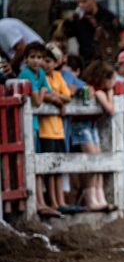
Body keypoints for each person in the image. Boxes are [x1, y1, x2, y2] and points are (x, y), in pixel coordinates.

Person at [17, 42, 65, 217]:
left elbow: (54, 95)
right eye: (33, 57)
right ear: (25, 59)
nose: (36, 61)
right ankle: (37, 202)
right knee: (32, 164)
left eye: (39, 57)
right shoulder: (26, 74)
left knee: (37, 164)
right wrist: (46, 92)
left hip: (35, 125)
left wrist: (58, 99)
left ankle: (42, 202)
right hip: (27, 126)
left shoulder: (39, 73)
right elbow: (38, 100)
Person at [71, 60, 117, 211]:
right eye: (111, 79)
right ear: (103, 78)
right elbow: (110, 110)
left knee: (98, 162)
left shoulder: (97, 90)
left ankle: (99, 196)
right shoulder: (98, 91)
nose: (114, 83)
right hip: (81, 127)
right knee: (93, 161)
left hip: (90, 127)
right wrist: (110, 94)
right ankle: (91, 198)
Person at [40, 42, 77, 214]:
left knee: (58, 167)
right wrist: (58, 99)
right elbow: (49, 95)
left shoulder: (57, 76)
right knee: (49, 168)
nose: (48, 64)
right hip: (45, 129)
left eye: (51, 61)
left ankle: (60, 200)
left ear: (56, 63)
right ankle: (53, 202)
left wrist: (59, 99)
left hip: (58, 130)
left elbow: (68, 96)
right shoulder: (42, 77)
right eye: (45, 60)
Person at [61, 0, 120, 67]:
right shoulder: (78, 19)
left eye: (84, 1)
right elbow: (63, 35)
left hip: (105, 63)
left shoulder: (108, 17)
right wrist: (68, 21)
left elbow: (123, 39)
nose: (81, 5)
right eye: (79, 2)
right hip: (85, 64)